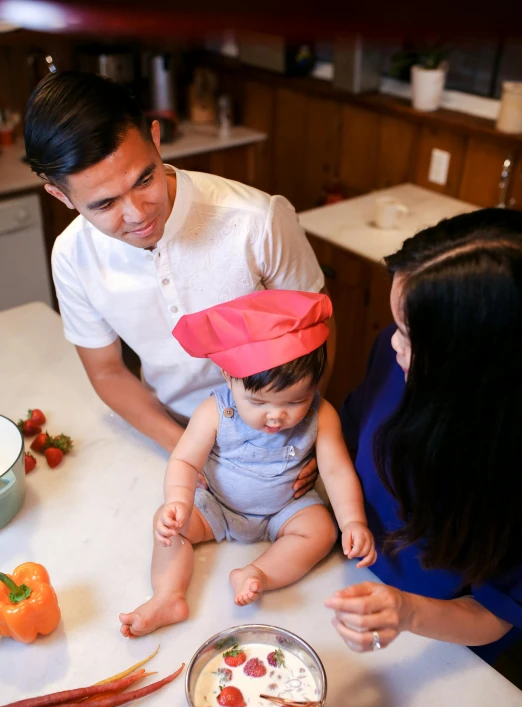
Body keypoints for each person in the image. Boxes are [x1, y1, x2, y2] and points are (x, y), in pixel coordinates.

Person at [24, 72, 333, 496]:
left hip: (280, 433)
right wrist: (186, 450)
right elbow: (109, 371)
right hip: (167, 428)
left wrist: (309, 434)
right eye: (105, 204)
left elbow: (314, 335)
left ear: (155, 138)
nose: (137, 215)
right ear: (60, 197)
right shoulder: (72, 256)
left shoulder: (257, 220)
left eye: (144, 179)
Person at [325, 208, 522, 663]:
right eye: (397, 323)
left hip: (448, 643)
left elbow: (495, 613)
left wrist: (406, 611)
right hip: (351, 576)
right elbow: (347, 440)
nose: (394, 343)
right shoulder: (392, 356)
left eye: (412, 337)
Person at [120, 290, 376, 636]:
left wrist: (353, 522)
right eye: (257, 402)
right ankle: (168, 596)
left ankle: (258, 573)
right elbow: (184, 459)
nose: (276, 415)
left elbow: (336, 470)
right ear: (228, 378)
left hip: (285, 508)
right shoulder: (215, 411)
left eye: (295, 401)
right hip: (217, 505)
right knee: (168, 527)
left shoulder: (323, 414)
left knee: (322, 530)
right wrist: (178, 502)